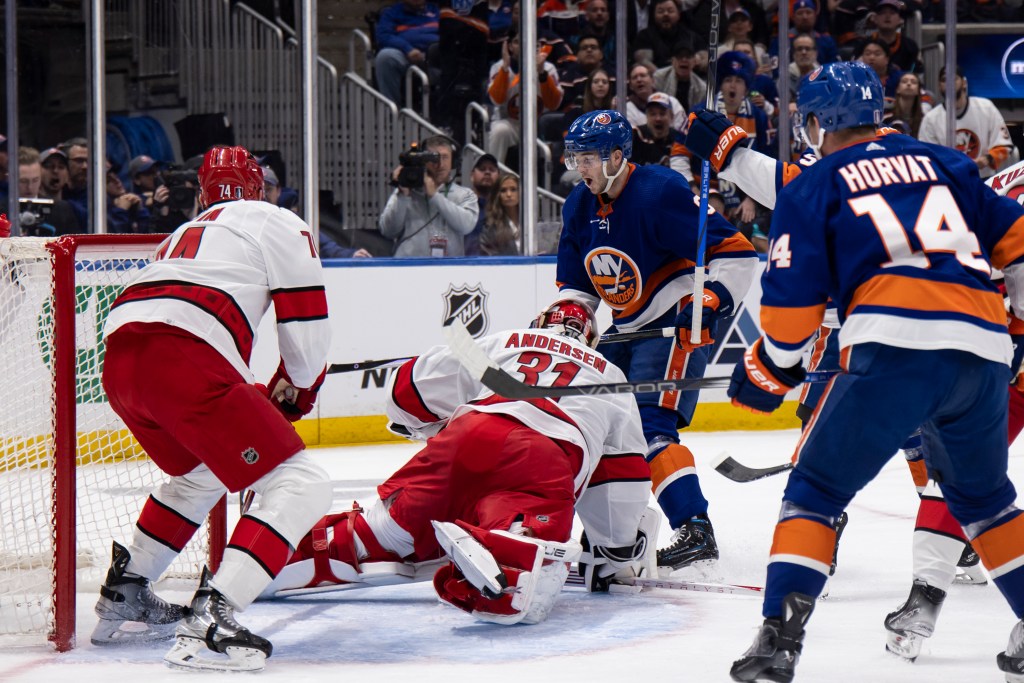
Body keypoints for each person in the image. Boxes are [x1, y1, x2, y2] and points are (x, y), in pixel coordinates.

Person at [683, 75, 1023, 664]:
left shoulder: (815, 180)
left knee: (815, 491)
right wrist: (1015, 327)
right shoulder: (947, 162)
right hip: (983, 353)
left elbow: (792, 310)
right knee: (987, 501)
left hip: (893, 348)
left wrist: (770, 368)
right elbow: (1017, 241)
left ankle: (778, 642)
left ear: (816, 124)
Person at [261, 300, 657, 624]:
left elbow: (406, 389)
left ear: (537, 320)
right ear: (592, 339)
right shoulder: (610, 375)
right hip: (542, 459)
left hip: (467, 438)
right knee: (531, 578)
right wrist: (613, 551)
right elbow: (620, 483)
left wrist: (428, 429)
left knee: (378, 530)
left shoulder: (502, 340)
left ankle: (271, 557)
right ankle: (507, 546)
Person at [91, 145, 333, 672]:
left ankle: (126, 590)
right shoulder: (279, 220)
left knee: (201, 475)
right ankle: (213, 619)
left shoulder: (180, 235)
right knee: (304, 484)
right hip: (184, 356)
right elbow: (306, 329)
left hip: (121, 363)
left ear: (202, 194)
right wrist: (298, 388)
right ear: (261, 186)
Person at [555, 109, 758, 572]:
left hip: (673, 322)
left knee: (650, 427)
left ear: (617, 156)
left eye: (588, 158)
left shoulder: (659, 191)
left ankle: (695, 529)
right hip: (625, 328)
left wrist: (709, 300)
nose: (580, 168)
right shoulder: (578, 206)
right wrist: (569, 317)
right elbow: (579, 288)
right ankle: (613, 534)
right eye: (576, 158)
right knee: (594, 425)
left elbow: (737, 255)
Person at [379, 134, 479, 257]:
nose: (440, 164)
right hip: (408, 268)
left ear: (453, 161)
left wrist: (434, 196)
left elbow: (466, 226)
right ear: (424, 161)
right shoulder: (405, 191)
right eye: (434, 159)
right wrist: (403, 195)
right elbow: (388, 231)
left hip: (448, 269)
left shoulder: (465, 194)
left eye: (445, 157)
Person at [918, 65, 1015, 180]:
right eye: (944, 80)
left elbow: (1004, 146)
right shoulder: (930, 119)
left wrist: (986, 159)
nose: (949, 83)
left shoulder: (986, 107)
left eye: (953, 79)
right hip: (948, 182)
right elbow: (925, 156)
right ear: (939, 86)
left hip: (983, 179)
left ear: (964, 82)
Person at [486, 31, 564, 166]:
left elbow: (554, 105)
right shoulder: (499, 67)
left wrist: (542, 74)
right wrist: (505, 68)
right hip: (509, 123)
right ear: (509, 46)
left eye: (534, 43)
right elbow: (496, 100)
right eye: (517, 42)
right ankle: (494, 177)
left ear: (539, 47)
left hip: (538, 126)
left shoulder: (548, 68)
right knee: (499, 130)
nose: (525, 45)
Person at [373, 0, 440, 106]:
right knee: (385, 57)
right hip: (406, 55)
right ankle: (392, 111)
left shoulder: (437, 11)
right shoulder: (392, 13)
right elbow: (383, 36)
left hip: (435, 57)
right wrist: (407, 49)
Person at [15, 146, 78, 236]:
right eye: (23, 181)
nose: (30, 187)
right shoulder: (3, 209)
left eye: (35, 180)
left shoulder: (61, 210)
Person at [633, 0, 703, 68]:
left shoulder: (691, 36)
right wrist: (663, 77)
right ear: (654, 15)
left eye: (670, 11)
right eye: (660, 11)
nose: (665, 14)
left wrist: (698, 59)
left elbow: (705, 58)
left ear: (679, 14)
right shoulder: (644, 36)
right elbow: (644, 62)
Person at [653, 43, 706, 117]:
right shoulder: (660, 77)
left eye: (688, 56)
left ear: (694, 62)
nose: (684, 59)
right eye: (679, 56)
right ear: (672, 61)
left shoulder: (701, 87)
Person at [631, 92, 682, 167]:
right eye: (653, 114)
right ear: (647, 117)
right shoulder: (635, 135)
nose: (658, 119)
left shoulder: (679, 139)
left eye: (662, 113)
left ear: (671, 116)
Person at [464, 152, 500, 255]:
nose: (487, 172)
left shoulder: (505, 208)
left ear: (498, 175)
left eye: (492, 169)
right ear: (472, 175)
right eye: (482, 169)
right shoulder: (462, 205)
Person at [480, 172, 521, 255]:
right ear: (497, 195)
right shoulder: (490, 228)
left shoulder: (531, 223)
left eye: (513, 189)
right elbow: (490, 258)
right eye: (503, 190)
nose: (509, 194)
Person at [105, 161, 151, 233]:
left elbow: (146, 238)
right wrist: (121, 211)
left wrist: (141, 210)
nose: (117, 181)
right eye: (109, 180)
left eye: (116, 176)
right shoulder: (104, 213)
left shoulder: (132, 202)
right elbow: (117, 239)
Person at [884, 71, 929, 138]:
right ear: (897, 89)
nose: (909, 84)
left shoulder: (924, 119)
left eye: (913, 82)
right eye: (904, 81)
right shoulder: (886, 117)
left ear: (918, 91)